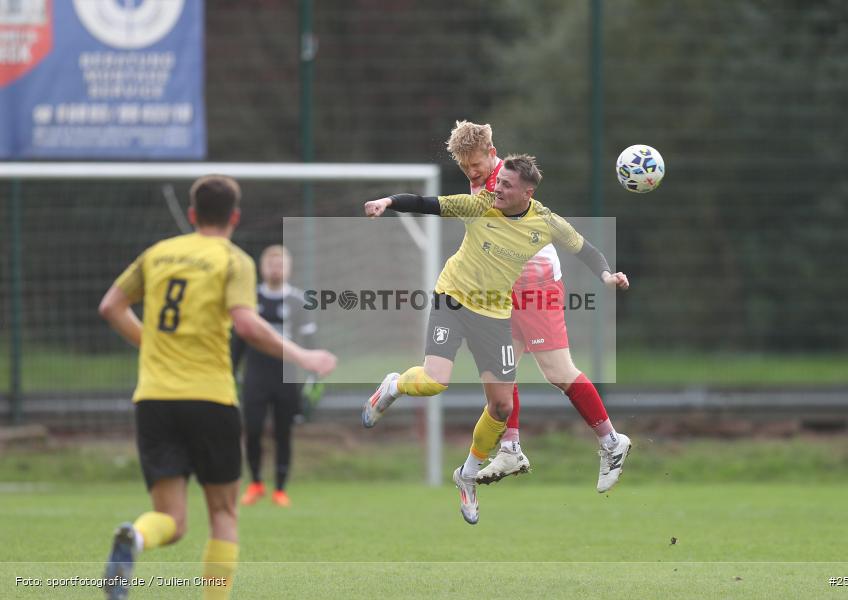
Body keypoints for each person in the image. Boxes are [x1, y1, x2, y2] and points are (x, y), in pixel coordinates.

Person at [97, 175, 337, 600]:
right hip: (209, 397)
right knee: (223, 512)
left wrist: (152, 344)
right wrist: (303, 356)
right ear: (234, 217)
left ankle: (136, 536)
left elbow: (111, 307)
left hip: (153, 399)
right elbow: (246, 325)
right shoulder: (234, 260)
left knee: (170, 519)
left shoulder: (158, 253)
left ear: (192, 214)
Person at [362, 154, 628, 525]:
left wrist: (606, 276)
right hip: (452, 300)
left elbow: (585, 250)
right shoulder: (480, 205)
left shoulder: (545, 222)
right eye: (498, 180)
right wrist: (388, 202)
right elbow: (428, 203)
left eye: (506, 184)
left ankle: (468, 475)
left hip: (494, 314)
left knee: (501, 406)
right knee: (435, 381)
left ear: (527, 193)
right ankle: (393, 386)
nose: (497, 188)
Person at [445, 120, 632, 493]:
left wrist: (605, 275)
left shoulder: (504, 182)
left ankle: (612, 442)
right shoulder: (481, 180)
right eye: (464, 166)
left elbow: (573, 241)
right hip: (505, 291)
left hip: (537, 289)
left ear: (492, 154)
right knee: (501, 373)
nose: (471, 172)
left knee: (559, 372)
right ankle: (511, 449)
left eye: (475, 164)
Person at [232, 244, 320, 508]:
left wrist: (312, 377)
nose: (275, 269)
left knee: (283, 432)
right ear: (262, 268)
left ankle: (280, 489)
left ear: (289, 269)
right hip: (256, 374)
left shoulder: (298, 301)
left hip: (286, 375)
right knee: (253, 429)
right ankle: (256, 483)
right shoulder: (250, 299)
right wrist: (230, 371)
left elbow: (309, 342)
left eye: (280, 264)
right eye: (271, 264)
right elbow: (238, 340)